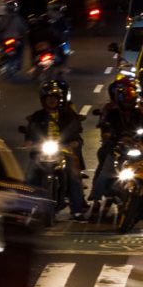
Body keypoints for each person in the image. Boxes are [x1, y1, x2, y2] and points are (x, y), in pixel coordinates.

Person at [23, 80, 88, 219]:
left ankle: (77, 209)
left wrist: (74, 143)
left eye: (54, 98)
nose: (51, 101)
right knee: (29, 176)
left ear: (59, 99)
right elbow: (30, 133)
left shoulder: (68, 115)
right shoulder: (37, 116)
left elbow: (75, 133)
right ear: (43, 100)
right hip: (41, 152)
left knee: (74, 177)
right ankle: (26, 207)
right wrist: (29, 141)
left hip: (63, 151)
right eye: (48, 98)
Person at [91, 80, 143, 203]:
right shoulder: (112, 112)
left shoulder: (138, 112)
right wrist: (109, 134)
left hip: (134, 146)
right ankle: (96, 197)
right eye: (126, 99)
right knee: (105, 171)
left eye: (130, 99)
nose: (128, 102)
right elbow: (105, 126)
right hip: (115, 147)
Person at [0, 1, 29, 75]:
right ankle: (18, 65)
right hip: (16, 39)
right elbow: (24, 28)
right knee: (20, 50)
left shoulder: (3, 18)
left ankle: (4, 61)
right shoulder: (18, 18)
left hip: (5, 38)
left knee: (3, 49)